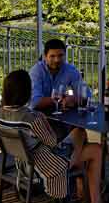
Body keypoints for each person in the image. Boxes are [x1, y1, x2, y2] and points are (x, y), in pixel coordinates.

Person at [0, 70, 105, 203]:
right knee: (96, 150)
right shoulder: (32, 118)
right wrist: (44, 122)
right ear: (27, 92)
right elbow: (52, 142)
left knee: (80, 133)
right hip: (47, 165)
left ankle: (82, 194)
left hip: (23, 163)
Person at [29, 38, 88, 168]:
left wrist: (72, 97)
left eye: (60, 55)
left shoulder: (70, 70)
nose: (57, 59)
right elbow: (35, 102)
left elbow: (85, 94)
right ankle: (69, 168)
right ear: (45, 56)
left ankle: (77, 173)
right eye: (52, 56)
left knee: (79, 132)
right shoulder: (36, 72)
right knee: (80, 134)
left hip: (61, 120)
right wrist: (61, 98)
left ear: (65, 55)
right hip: (40, 124)